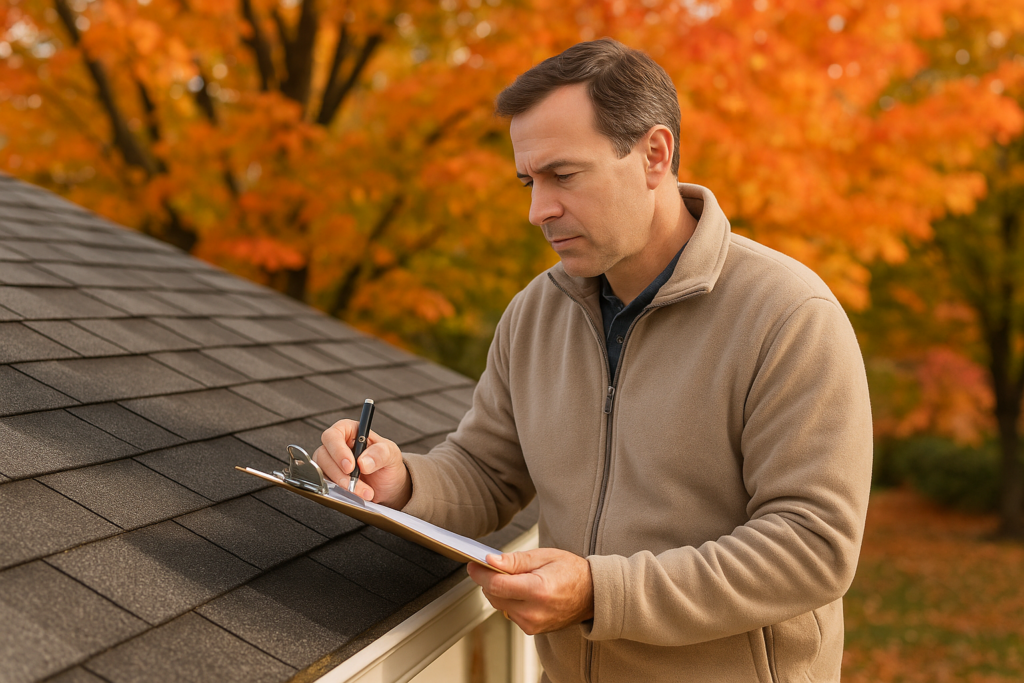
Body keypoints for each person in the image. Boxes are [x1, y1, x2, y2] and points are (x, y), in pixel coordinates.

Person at [314, 38, 872, 683]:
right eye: (530, 181)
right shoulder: (534, 314)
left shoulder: (787, 315)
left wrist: (599, 593)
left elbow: (812, 546)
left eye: (563, 175)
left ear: (653, 155)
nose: (537, 210)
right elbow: (487, 472)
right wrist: (400, 483)